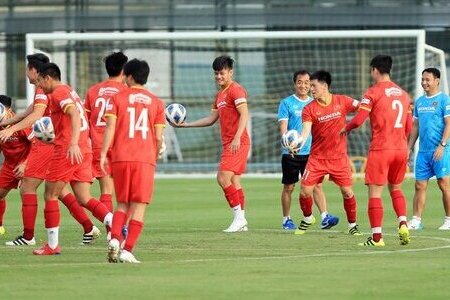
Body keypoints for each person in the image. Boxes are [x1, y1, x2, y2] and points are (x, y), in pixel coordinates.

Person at [0, 54, 99, 247]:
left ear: (34, 71)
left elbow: (36, 115)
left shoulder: (43, 89)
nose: (25, 73)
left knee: (30, 187)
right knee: (61, 192)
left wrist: (12, 129)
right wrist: (8, 122)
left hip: (48, 144)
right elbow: (30, 111)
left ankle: (29, 237)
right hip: (55, 142)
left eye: (26, 69)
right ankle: (89, 227)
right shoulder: (51, 89)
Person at [32, 62, 112, 255]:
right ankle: (116, 225)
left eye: (40, 81)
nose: (39, 86)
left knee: (50, 195)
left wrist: (72, 143)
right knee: (84, 198)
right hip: (84, 150)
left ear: (48, 78)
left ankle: (52, 246)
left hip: (69, 151)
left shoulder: (58, 93)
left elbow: (74, 114)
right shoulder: (69, 90)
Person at [343, 55, 412, 247]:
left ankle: (377, 238)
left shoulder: (372, 92)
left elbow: (358, 120)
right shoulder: (404, 94)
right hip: (401, 148)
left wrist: (345, 129)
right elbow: (408, 126)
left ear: (374, 70)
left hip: (382, 148)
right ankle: (403, 223)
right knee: (396, 188)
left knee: (375, 193)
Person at [101, 58, 165, 263]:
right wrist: (155, 154)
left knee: (122, 204)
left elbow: (109, 127)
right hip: (144, 158)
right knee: (139, 206)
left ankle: (114, 238)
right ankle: (127, 249)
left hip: (120, 157)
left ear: (129, 76)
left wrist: (103, 153)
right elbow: (158, 137)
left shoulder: (117, 98)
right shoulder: (156, 102)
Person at [177, 55, 250, 233]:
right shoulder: (219, 96)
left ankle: (239, 218)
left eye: (222, 73)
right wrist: (187, 125)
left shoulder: (236, 90)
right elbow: (211, 119)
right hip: (230, 143)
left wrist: (237, 137)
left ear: (230, 72)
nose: (218, 76)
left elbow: (244, 114)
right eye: (216, 73)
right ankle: (242, 221)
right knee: (234, 181)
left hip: (237, 143)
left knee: (222, 178)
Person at [296, 70, 361, 236]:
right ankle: (308, 217)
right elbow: (305, 132)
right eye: (310, 85)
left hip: (338, 158)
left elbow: (363, 108)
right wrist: (297, 143)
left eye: (313, 85)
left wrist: (350, 125)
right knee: (305, 191)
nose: (311, 89)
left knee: (347, 192)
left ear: (324, 86)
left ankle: (352, 225)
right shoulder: (309, 109)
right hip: (317, 158)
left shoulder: (342, 101)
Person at [277, 70, 338, 230]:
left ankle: (325, 217)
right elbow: (283, 128)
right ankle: (286, 219)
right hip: (291, 153)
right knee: (289, 187)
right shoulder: (286, 103)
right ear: (294, 83)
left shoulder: (314, 103)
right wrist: (287, 145)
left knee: (317, 185)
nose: (303, 85)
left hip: (312, 153)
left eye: (307, 82)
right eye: (300, 82)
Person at [84, 52, 128, 213]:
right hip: (120, 147)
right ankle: (118, 228)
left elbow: (85, 120)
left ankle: (110, 230)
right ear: (124, 71)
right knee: (125, 191)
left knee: (106, 191)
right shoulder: (126, 92)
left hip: (98, 146)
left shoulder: (93, 91)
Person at [407, 68, 450, 230]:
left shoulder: (444, 100)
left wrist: (442, 145)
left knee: (444, 183)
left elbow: (449, 124)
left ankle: (448, 220)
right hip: (423, 152)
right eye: (422, 79)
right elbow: (416, 126)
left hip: (441, 150)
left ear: (437, 81)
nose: (424, 82)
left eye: (427, 79)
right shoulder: (419, 102)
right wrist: (409, 148)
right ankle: (416, 221)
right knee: (419, 185)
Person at [0, 96, 31, 235]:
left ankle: (28, 234)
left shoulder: (21, 123)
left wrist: (25, 164)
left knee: (26, 194)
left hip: (27, 162)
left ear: (9, 110)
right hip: (9, 164)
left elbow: (36, 144)